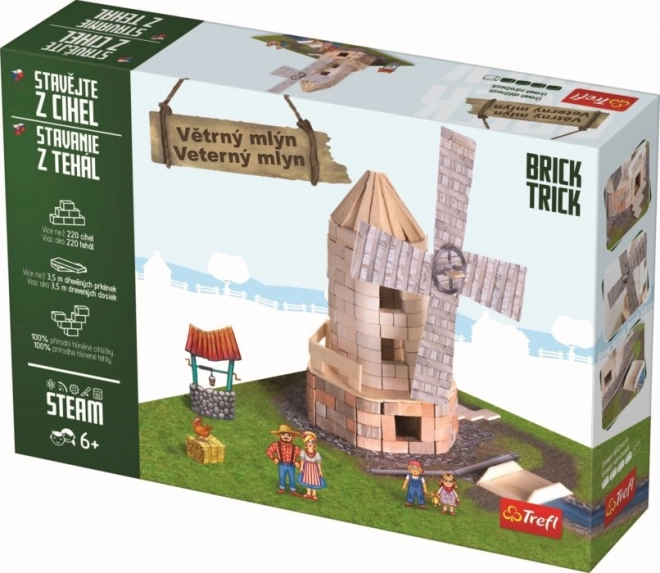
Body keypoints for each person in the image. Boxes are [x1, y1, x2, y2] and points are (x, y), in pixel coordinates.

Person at [265, 424, 302, 495]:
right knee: (282, 476)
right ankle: (282, 488)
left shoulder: (296, 448)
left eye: (289, 435)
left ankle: (293, 490)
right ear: (279, 435)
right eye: (283, 434)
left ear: (293, 437)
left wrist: (299, 462)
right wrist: (274, 458)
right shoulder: (276, 445)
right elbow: (268, 451)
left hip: (291, 465)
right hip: (281, 464)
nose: (286, 437)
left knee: (292, 477)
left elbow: (304, 456)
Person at [297, 431, 326, 501]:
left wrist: (320, 471)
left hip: (314, 469)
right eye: (308, 442)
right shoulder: (304, 452)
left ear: (314, 444)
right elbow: (302, 460)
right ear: (306, 443)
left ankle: (314, 494)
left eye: (312, 442)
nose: (310, 444)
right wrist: (301, 467)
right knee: (308, 480)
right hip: (307, 468)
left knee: (314, 481)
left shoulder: (316, 453)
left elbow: (318, 463)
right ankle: (308, 493)